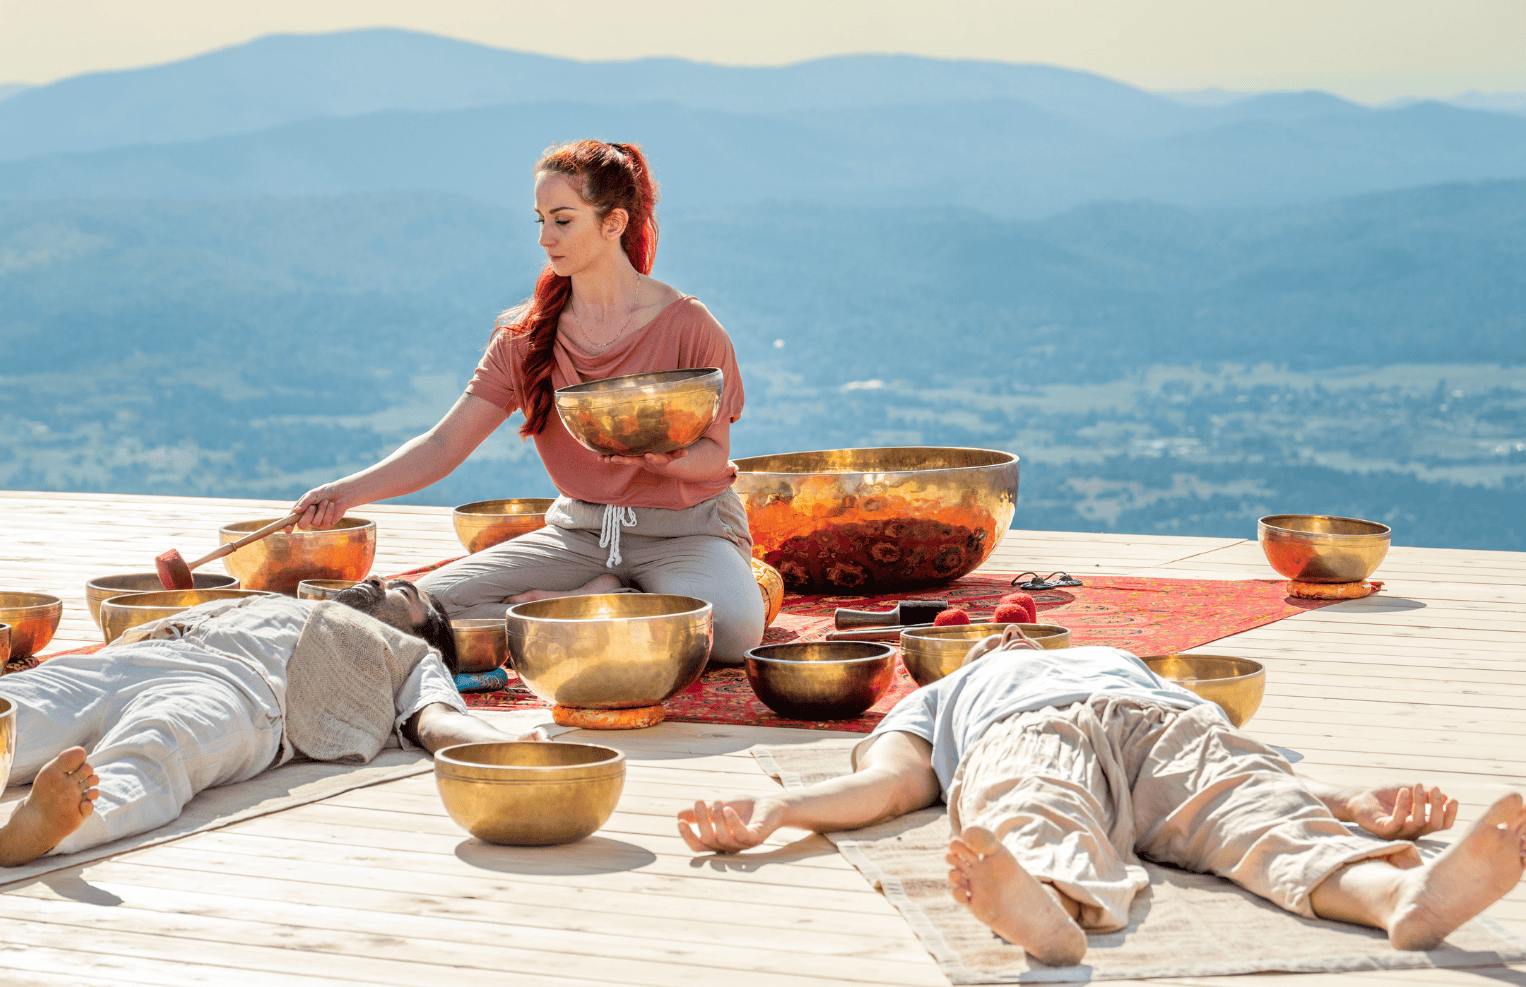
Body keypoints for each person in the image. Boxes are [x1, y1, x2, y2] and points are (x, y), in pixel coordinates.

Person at [678, 627, 1526, 966]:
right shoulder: (941, 695)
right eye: (986, 634)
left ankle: (1401, 896)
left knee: (1253, 810)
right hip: (1025, 733)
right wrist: (781, 812)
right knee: (1026, 812)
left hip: (1158, 722)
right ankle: (1045, 907)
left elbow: (1243, 775)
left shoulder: (1117, 655)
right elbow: (893, 785)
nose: (1006, 632)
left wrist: (1346, 801)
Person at [289, 140, 764, 664]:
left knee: (734, 631)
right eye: (539, 220)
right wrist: (344, 493)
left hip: (686, 531)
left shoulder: (689, 326)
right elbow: (445, 443)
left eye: (562, 221)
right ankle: (591, 604)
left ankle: (588, 604)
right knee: (415, 612)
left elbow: (715, 458)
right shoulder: (526, 337)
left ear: (614, 223)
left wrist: (666, 460)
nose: (544, 238)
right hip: (579, 535)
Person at [0, 577, 531, 868]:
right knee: (16, 701)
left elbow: (435, 718)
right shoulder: (281, 602)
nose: (377, 580)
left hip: (236, 689)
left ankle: (42, 829)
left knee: (159, 746)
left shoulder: (412, 656)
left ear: (421, 631)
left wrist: (515, 751)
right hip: (130, 660)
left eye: (403, 593)